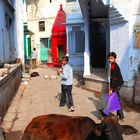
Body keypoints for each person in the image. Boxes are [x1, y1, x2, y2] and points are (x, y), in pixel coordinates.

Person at [108, 52, 124, 120]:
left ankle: (121, 116)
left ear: (115, 59)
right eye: (109, 58)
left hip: (117, 84)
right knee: (115, 99)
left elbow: (114, 79)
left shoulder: (114, 66)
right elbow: (113, 78)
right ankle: (119, 114)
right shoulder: (112, 64)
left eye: (111, 58)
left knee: (117, 100)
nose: (110, 60)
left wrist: (111, 89)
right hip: (117, 83)